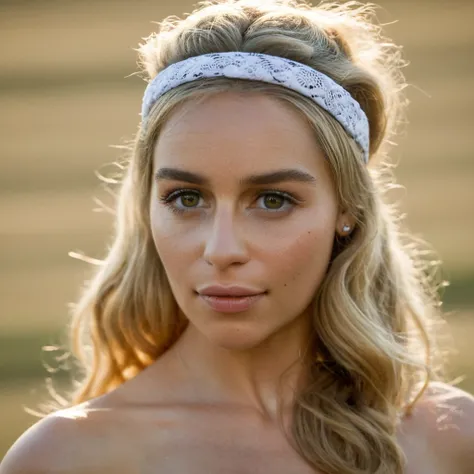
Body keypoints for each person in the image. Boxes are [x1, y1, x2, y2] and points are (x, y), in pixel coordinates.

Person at [1, 0, 473, 473]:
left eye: (272, 200)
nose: (221, 250)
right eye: (186, 198)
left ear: (346, 210)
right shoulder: (66, 458)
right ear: (147, 204)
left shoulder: (450, 438)